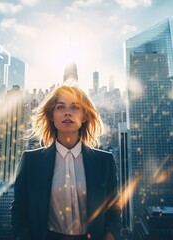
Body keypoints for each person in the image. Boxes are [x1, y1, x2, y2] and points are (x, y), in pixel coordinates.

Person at [11, 84, 121, 240]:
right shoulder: (31, 161)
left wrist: (110, 236)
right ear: (51, 115)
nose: (67, 113)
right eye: (60, 107)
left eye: (75, 107)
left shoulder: (104, 161)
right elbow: (19, 211)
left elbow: (114, 210)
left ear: (84, 116)